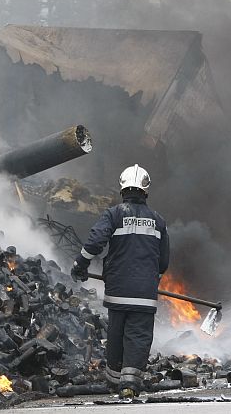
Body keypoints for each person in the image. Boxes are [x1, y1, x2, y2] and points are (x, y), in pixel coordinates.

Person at [71, 164, 170, 399]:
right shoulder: (158, 221)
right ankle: (129, 385)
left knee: (116, 334)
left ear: (122, 189)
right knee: (138, 336)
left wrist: (80, 265)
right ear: (145, 191)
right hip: (144, 294)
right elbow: (163, 263)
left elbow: (95, 242)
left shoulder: (114, 214)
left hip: (117, 291)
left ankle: (113, 381)